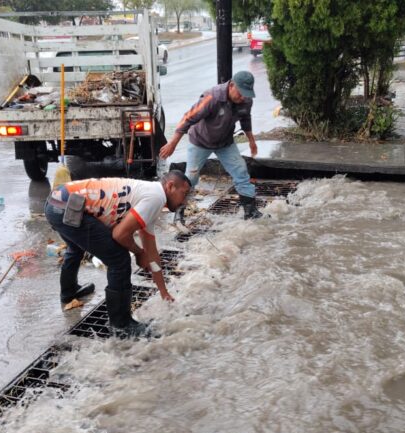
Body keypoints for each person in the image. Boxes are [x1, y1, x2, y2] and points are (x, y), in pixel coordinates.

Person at [45, 170, 192, 337]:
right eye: (184, 193)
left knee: (76, 248)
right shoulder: (156, 198)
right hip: (68, 207)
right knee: (119, 259)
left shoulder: (151, 195)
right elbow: (120, 234)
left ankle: (69, 293)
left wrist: (164, 293)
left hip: (57, 202)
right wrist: (137, 253)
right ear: (171, 186)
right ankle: (121, 324)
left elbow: (151, 252)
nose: (185, 201)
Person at [159, 70, 263, 220]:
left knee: (241, 171)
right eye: (240, 93)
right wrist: (173, 143)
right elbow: (188, 118)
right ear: (231, 85)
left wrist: (252, 141)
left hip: (225, 143)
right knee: (190, 179)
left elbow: (245, 120)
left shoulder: (246, 100)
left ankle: (250, 211)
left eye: (246, 94)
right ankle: (180, 213)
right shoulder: (212, 97)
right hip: (200, 142)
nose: (242, 98)